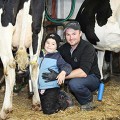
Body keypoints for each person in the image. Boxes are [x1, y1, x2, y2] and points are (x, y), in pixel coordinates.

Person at [42, 21, 101, 111]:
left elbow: (83, 73)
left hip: (91, 77)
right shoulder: (64, 48)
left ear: (80, 34)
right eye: (68, 34)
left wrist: (59, 76)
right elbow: (53, 58)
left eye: (74, 34)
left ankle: (88, 100)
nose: (71, 37)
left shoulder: (88, 47)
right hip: (72, 77)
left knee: (75, 84)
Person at [38, 33, 73, 115]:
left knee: (48, 111)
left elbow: (67, 66)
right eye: (47, 43)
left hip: (51, 88)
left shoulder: (57, 57)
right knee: (40, 106)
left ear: (57, 46)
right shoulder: (38, 54)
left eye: (53, 44)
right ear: (44, 43)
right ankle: (57, 97)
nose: (49, 45)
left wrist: (63, 72)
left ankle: (64, 102)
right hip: (39, 88)